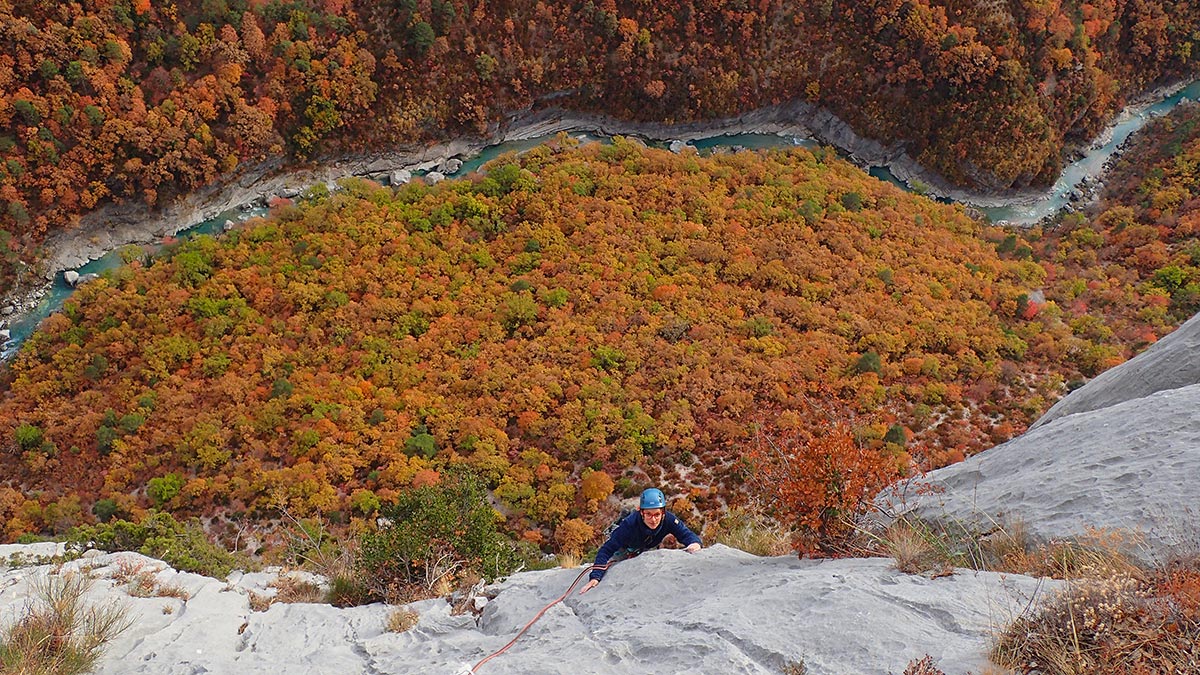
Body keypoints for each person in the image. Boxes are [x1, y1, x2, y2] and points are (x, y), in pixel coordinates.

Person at [578, 487, 701, 594]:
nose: (653, 520)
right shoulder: (629, 524)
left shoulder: (668, 519)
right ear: (641, 512)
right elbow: (606, 550)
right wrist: (595, 577)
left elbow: (687, 535)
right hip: (623, 550)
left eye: (657, 515)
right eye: (649, 514)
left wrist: (695, 544)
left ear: (663, 513)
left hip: (644, 548)